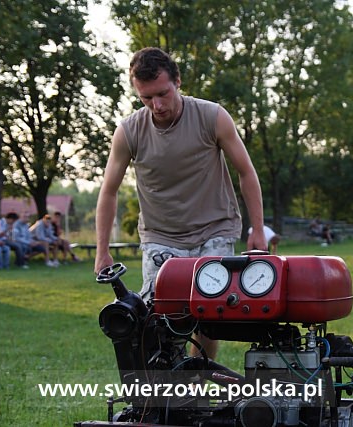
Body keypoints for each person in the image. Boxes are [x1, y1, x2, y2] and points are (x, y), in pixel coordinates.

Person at [94, 47, 267, 360]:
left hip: (214, 227)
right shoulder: (129, 131)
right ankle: (170, 393)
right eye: (146, 98)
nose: (157, 105)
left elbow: (246, 172)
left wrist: (257, 229)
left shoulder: (212, 116)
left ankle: (201, 375)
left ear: (177, 81)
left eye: (163, 94)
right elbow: (109, 191)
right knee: (162, 319)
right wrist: (102, 250)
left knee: (210, 310)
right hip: (162, 235)